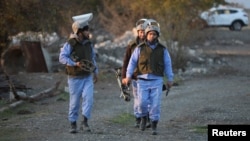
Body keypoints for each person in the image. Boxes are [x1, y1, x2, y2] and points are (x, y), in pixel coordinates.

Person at [123, 23, 174, 135]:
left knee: (155, 104)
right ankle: (143, 118)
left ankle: (154, 124)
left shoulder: (163, 50)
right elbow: (131, 63)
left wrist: (170, 79)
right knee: (142, 103)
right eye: (150, 34)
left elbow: (168, 64)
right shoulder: (139, 48)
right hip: (142, 80)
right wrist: (128, 76)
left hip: (157, 80)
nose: (152, 36)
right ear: (146, 35)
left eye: (154, 34)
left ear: (157, 36)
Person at [59, 13, 98, 134]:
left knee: (89, 99)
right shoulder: (70, 43)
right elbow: (62, 57)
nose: (88, 32)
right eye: (86, 30)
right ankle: (73, 123)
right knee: (74, 102)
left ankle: (85, 122)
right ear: (80, 31)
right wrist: (73, 63)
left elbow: (92, 58)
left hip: (87, 77)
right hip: (74, 78)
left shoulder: (88, 43)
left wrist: (96, 72)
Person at [121, 19, 148, 128]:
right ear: (137, 32)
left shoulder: (150, 44)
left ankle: (147, 118)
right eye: (140, 32)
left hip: (147, 76)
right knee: (137, 98)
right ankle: (138, 117)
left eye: (144, 32)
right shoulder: (131, 45)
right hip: (135, 76)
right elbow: (126, 61)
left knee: (147, 98)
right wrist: (124, 76)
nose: (142, 34)